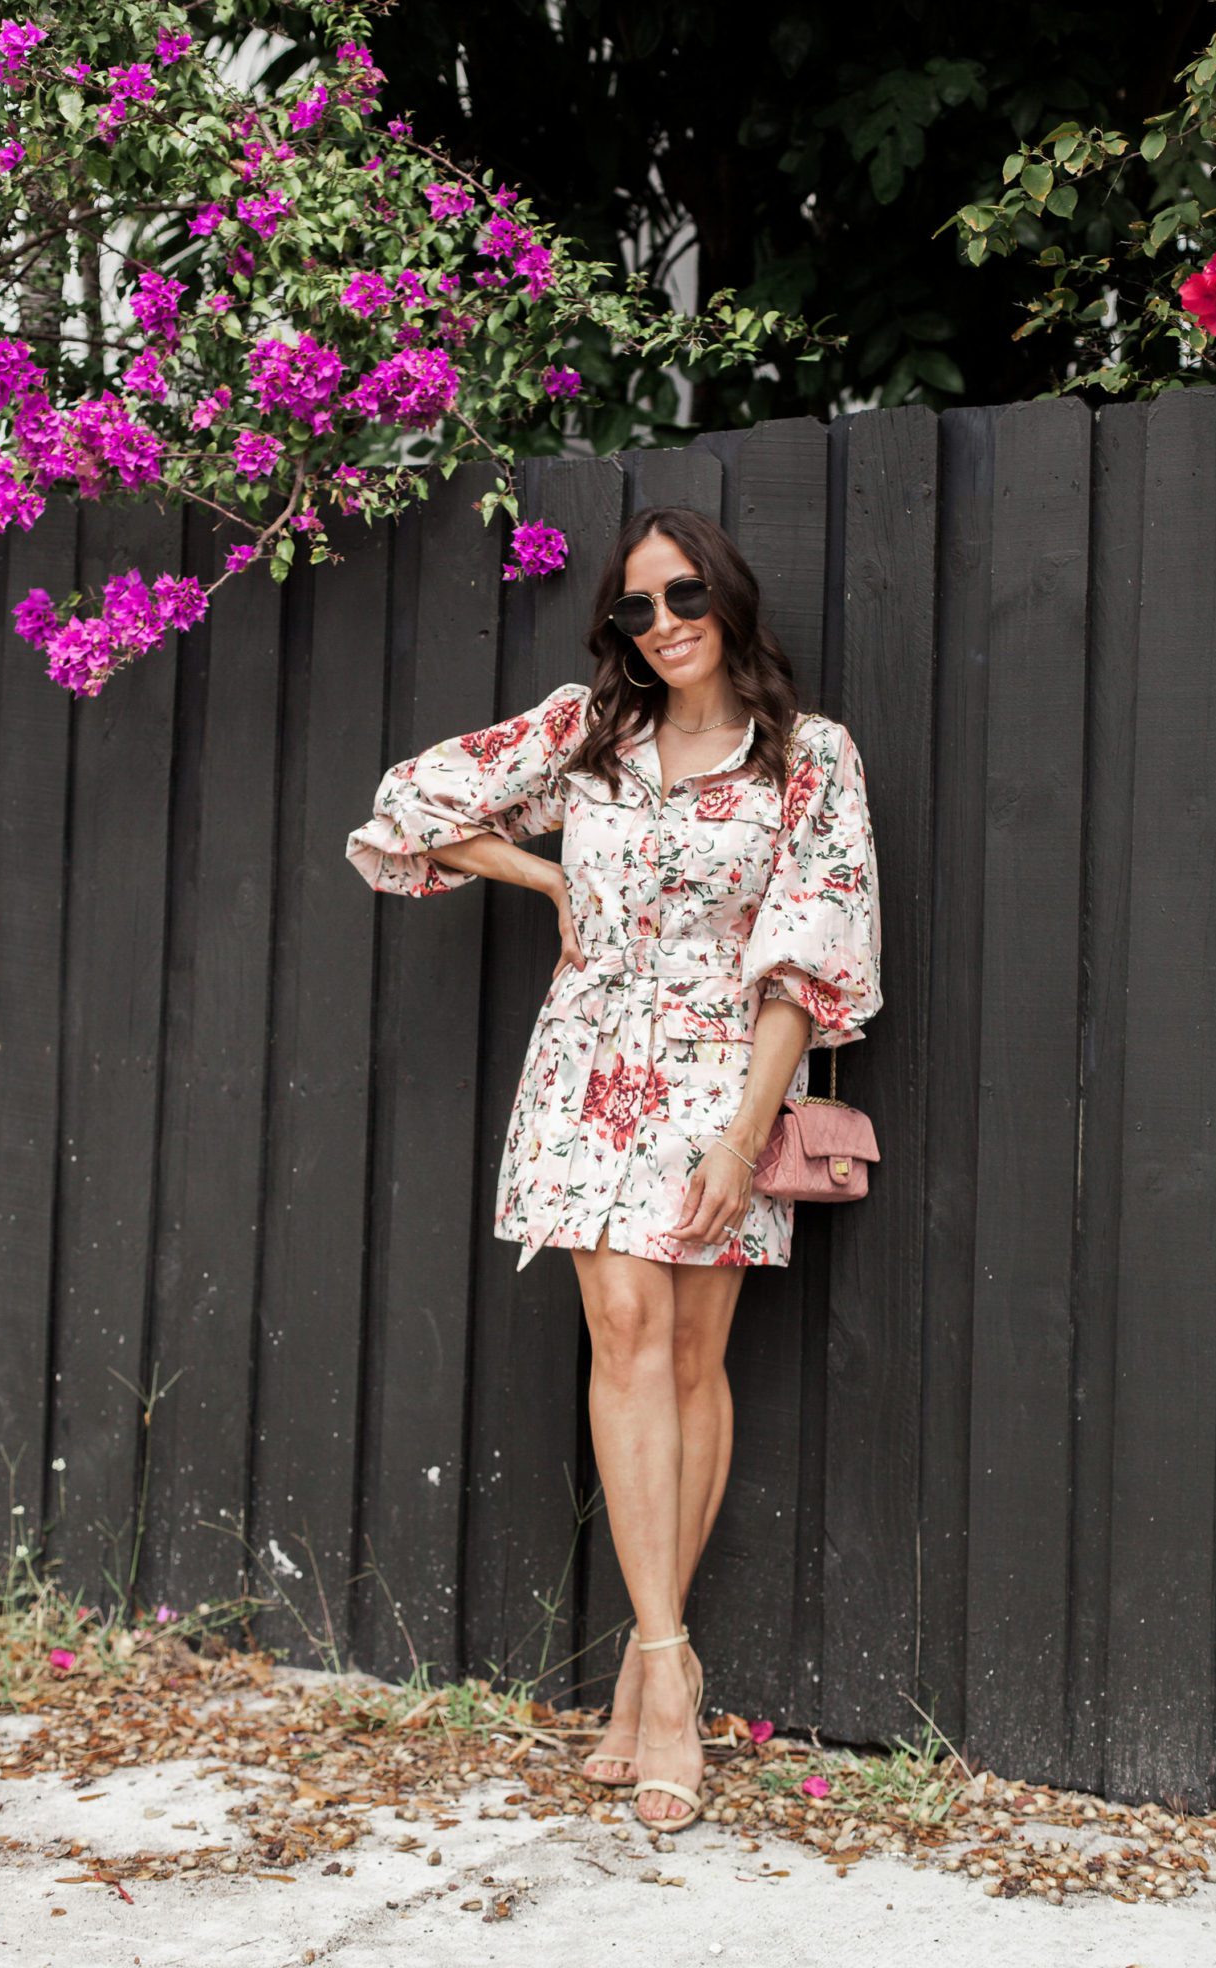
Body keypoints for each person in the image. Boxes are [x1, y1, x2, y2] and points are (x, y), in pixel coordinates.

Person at [345, 505, 882, 1834]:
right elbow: (407, 810)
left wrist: (739, 1130)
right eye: (635, 609)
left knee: (693, 1359)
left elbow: (810, 952)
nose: (663, 625)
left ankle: (652, 1677)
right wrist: (541, 880)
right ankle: (664, 1665)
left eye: (682, 594)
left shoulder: (805, 758)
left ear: (728, 595)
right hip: (585, 1069)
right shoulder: (589, 736)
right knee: (622, 1327)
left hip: (725, 1080)